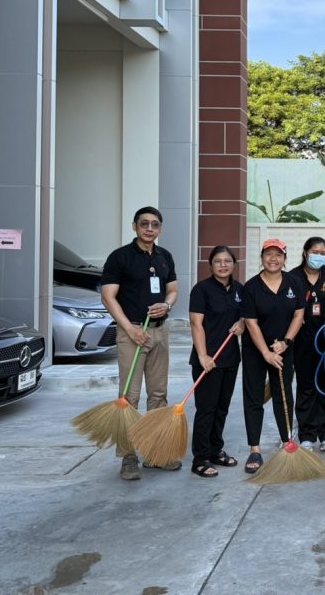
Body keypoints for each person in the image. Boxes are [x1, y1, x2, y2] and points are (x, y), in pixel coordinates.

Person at [100, 206, 179, 481]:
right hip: (132, 333)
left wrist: (167, 306)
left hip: (159, 332)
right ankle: (128, 456)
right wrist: (129, 329)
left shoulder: (165, 256)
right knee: (128, 398)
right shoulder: (120, 257)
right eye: (144, 223)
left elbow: (173, 290)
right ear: (134, 226)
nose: (149, 228)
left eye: (155, 224)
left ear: (160, 229)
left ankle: (155, 452)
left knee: (158, 395)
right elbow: (108, 297)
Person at [240, 238, 304, 474]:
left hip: (283, 349)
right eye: (268, 254)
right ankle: (255, 449)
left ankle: (287, 442)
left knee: (283, 395)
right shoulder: (251, 287)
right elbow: (251, 323)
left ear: (285, 258)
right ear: (262, 258)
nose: (273, 259)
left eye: (278, 254)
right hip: (255, 350)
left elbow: (298, 315)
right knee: (254, 397)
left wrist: (286, 342)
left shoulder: (294, 283)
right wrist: (266, 353)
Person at [187, 246, 245, 478]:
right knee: (206, 409)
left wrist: (242, 323)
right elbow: (196, 323)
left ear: (234, 264)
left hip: (230, 358)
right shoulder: (201, 289)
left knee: (222, 408)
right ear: (210, 265)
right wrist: (203, 355)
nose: (223, 265)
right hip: (208, 360)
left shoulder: (239, 289)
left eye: (227, 261)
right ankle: (200, 458)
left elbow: (246, 316)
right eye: (218, 261)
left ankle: (215, 450)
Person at [291, 237, 325, 452]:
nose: (319, 256)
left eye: (323, 253)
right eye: (315, 251)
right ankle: (307, 434)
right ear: (305, 252)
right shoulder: (293, 277)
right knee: (306, 386)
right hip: (302, 341)